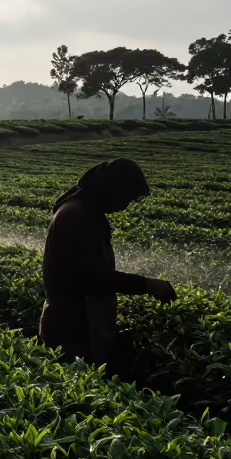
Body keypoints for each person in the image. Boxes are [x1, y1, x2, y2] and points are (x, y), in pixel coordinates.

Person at [38, 158, 177, 370]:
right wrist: (146, 285)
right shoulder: (75, 215)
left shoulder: (87, 211)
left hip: (80, 323)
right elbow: (90, 277)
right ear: (110, 190)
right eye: (125, 197)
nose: (125, 205)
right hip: (71, 327)